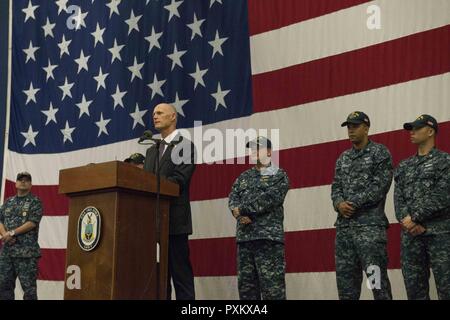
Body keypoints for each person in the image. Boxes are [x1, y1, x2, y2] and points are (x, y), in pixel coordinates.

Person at [331, 111, 393, 300]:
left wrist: (352, 203)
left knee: (377, 285)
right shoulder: (343, 158)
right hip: (345, 232)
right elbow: (336, 187)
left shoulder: (379, 153)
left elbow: (380, 187)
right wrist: (338, 203)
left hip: (370, 232)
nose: (351, 130)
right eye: (348, 127)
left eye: (355, 126)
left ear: (366, 128)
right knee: (346, 288)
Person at [143, 103, 196, 300]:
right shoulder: (151, 151)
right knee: (158, 280)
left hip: (174, 222)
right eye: (153, 113)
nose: (155, 116)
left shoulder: (185, 146)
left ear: (173, 117)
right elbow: (144, 182)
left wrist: (153, 186)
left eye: (159, 113)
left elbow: (179, 181)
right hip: (152, 225)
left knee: (181, 278)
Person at [394, 114, 450, 300]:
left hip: (440, 236)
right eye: (411, 128)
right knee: (415, 292)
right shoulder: (403, 166)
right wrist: (408, 222)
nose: (412, 132)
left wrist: (415, 217)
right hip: (411, 237)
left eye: (417, 128)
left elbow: (443, 196)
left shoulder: (445, 161)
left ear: (430, 131)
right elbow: (398, 199)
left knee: (446, 288)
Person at [228, 137, 289, 300]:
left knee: (273, 291)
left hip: (268, 240)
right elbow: (233, 199)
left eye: (258, 148)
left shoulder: (279, 175)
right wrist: (239, 214)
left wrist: (242, 209)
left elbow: (268, 199)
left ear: (269, 151)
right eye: (252, 149)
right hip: (245, 239)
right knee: (247, 292)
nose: (254, 151)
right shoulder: (243, 177)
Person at [0, 172, 43, 300]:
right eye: (20, 179)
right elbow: (0, 220)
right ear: (16, 183)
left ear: (30, 184)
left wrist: (12, 233)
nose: (23, 182)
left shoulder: (35, 201)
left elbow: (32, 223)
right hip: (7, 253)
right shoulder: (8, 202)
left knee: (29, 291)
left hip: (26, 253)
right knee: (3, 288)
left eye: (26, 180)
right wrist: (5, 234)